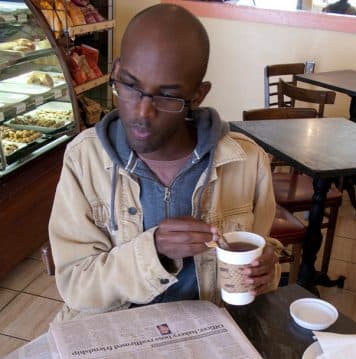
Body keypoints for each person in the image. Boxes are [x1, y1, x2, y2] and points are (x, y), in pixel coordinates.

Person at [49, 3, 281, 321]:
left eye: (167, 96)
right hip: (113, 335)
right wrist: (153, 251)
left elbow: (262, 253)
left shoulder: (247, 162)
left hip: (210, 336)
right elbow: (76, 286)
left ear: (198, 95)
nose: (142, 113)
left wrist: (267, 269)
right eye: (130, 86)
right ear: (115, 72)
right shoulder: (84, 160)